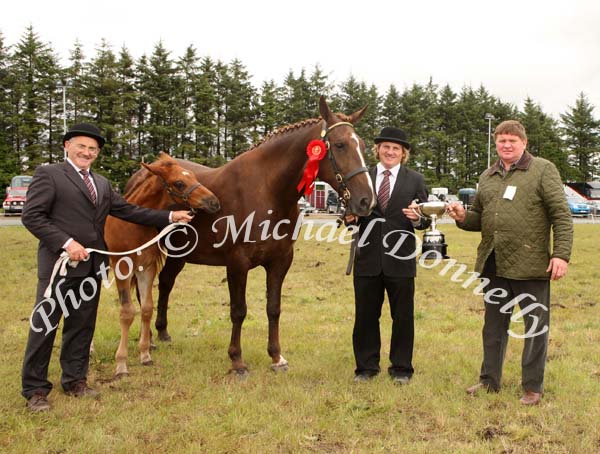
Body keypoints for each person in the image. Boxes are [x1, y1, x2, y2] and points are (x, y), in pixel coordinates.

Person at [21, 123, 193, 412]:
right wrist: (66, 243)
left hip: (93, 266)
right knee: (46, 325)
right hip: (60, 265)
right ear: (67, 146)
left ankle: (75, 380)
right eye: (82, 146)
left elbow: (128, 210)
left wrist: (169, 216)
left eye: (93, 149)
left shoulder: (100, 183)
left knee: (82, 325)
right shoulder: (49, 175)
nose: (87, 152)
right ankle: (36, 390)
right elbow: (33, 216)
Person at [447, 120, 573, 405]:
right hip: (493, 264)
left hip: (532, 265)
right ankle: (489, 381)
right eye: (501, 140)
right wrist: (461, 216)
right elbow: (479, 218)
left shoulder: (542, 169)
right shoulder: (487, 176)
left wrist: (561, 254)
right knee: (493, 327)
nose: (506, 145)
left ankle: (532, 387)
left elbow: (561, 215)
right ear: (496, 143)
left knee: (534, 327)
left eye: (512, 140)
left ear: (524, 143)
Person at [348, 126, 430, 384]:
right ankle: (366, 368)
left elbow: (425, 220)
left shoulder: (415, 180)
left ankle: (402, 369)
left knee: (403, 317)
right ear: (378, 150)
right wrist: (349, 218)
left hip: (401, 259)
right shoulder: (363, 176)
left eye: (396, 148)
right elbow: (351, 218)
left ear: (403, 153)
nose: (390, 152)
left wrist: (418, 219)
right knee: (365, 316)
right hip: (367, 257)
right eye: (386, 147)